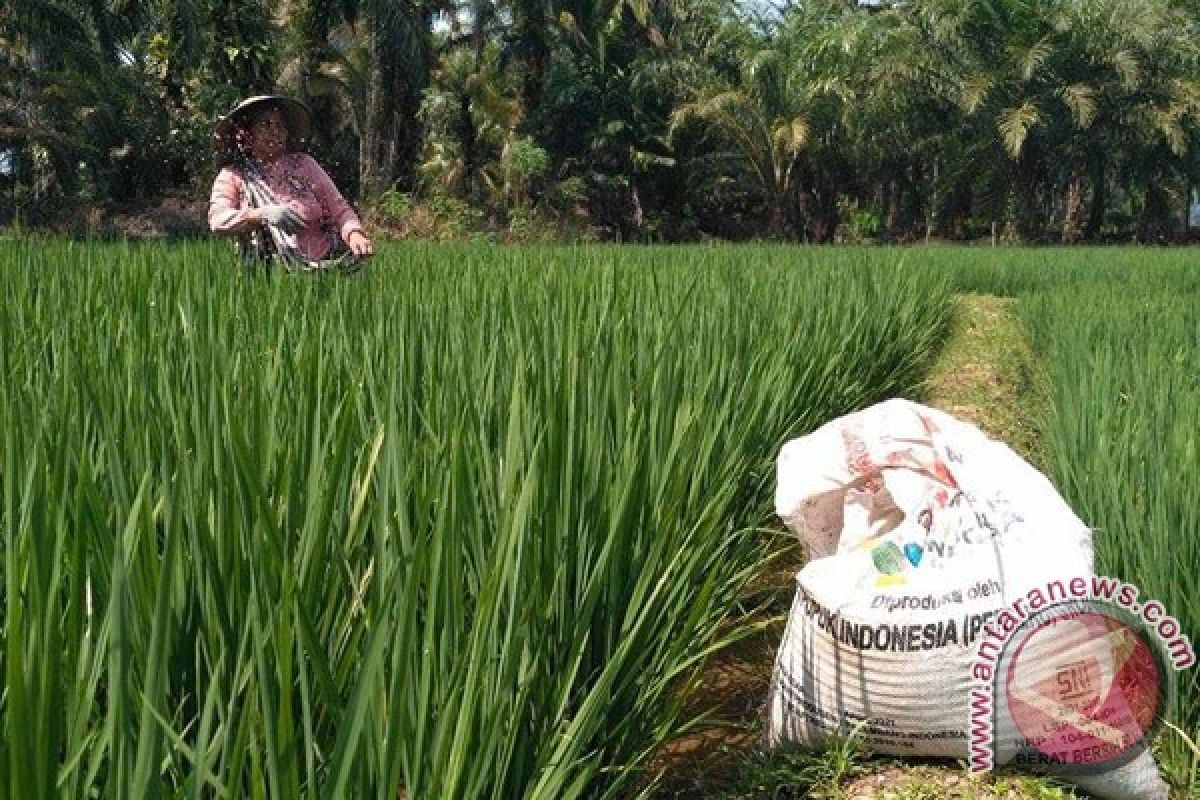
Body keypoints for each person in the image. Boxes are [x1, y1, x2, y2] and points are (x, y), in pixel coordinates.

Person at [208, 94, 374, 272]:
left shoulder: (303, 164)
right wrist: (260, 215)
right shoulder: (233, 176)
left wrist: (355, 234)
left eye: (280, 125)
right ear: (247, 135)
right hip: (266, 274)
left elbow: (338, 208)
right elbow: (218, 220)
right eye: (266, 125)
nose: (275, 131)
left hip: (323, 266)